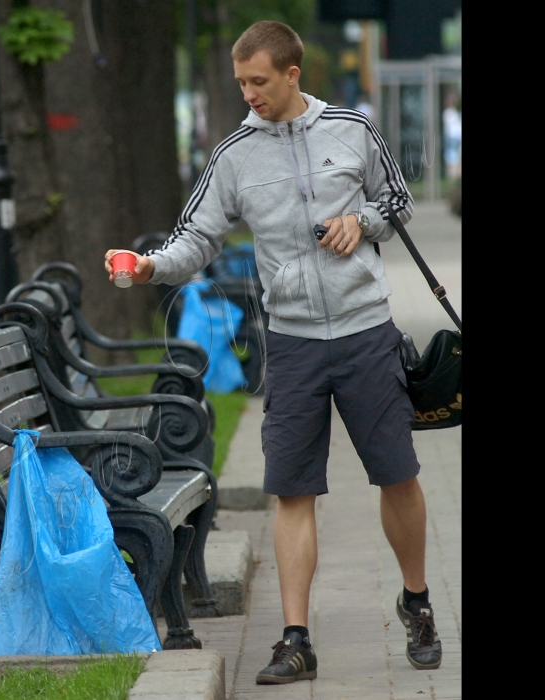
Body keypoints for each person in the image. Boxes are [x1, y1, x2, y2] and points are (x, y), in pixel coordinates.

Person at [104, 20, 441, 685]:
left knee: (397, 474)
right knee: (292, 489)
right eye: (240, 83)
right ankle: (295, 639)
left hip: (366, 329)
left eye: (259, 81)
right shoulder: (234, 154)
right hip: (290, 342)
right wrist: (148, 268)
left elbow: (397, 198)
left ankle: (418, 602)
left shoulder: (351, 128)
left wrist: (361, 221)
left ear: (292, 74)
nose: (248, 94)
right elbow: (194, 238)